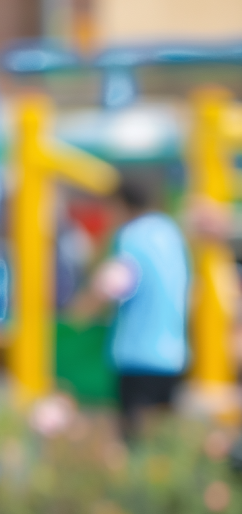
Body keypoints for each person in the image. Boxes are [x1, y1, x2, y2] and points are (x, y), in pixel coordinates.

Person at [69, 173, 189, 440]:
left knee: (135, 439)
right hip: (174, 355)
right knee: (162, 440)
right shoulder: (171, 232)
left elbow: (115, 282)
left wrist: (81, 311)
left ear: (120, 204)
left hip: (137, 355)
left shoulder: (132, 235)